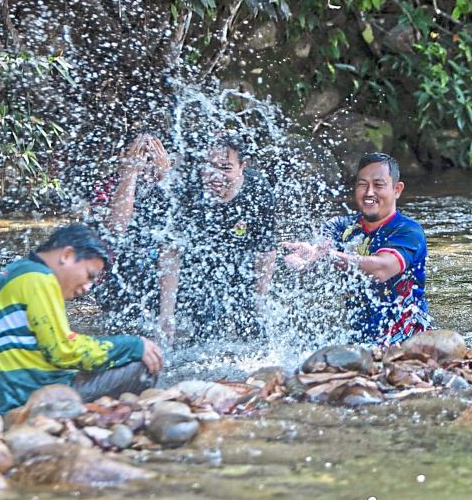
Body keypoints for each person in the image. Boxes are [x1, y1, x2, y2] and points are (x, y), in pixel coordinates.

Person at [0, 223, 164, 415]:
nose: (88, 288)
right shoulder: (40, 279)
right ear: (67, 255)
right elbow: (63, 350)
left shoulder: (11, 273)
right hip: (29, 400)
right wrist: (132, 345)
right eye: (89, 275)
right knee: (142, 366)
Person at [283, 152, 430, 346]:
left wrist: (329, 256)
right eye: (362, 184)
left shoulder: (409, 231)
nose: (369, 192)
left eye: (378, 185)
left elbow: (381, 269)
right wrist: (309, 256)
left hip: (407, 343)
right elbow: (323, 250)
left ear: (397, 189)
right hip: (359, 338)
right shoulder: (340, 226)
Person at [162, 134, 277, 340]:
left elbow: (266, 249)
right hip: (200, 263)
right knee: (204, 331)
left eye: (225, 168)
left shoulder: (258, 190)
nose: (216, 176)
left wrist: (261, 300)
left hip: (243, 261)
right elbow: (171, 252)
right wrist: (166, 316)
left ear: (242, 166)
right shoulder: (191, 189)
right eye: (210, 166)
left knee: (255, 333)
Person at [91, 133, 179, 334]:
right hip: (117, 278)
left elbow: (181, 225)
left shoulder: (169, 187)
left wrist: (166, 176)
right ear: (123, 156)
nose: (145, 163)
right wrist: (130, 173)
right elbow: (117, 228)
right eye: (140, 155)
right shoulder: (104, 187)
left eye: (151, 157)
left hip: (162, 277)